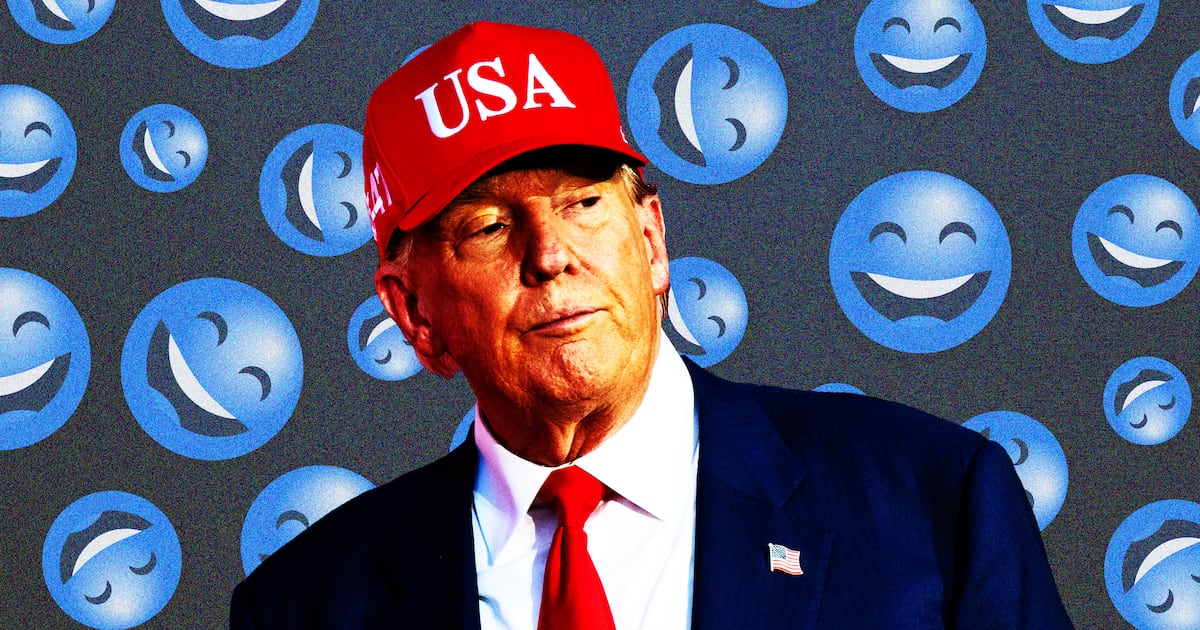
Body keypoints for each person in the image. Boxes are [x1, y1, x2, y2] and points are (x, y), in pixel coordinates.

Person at [230, 21, 1073, 629]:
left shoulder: (934, 503)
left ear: (650, 240)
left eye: (583, 203)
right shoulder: (304, 605)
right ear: (414, 313)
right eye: (487, 226)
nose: (552, 255)